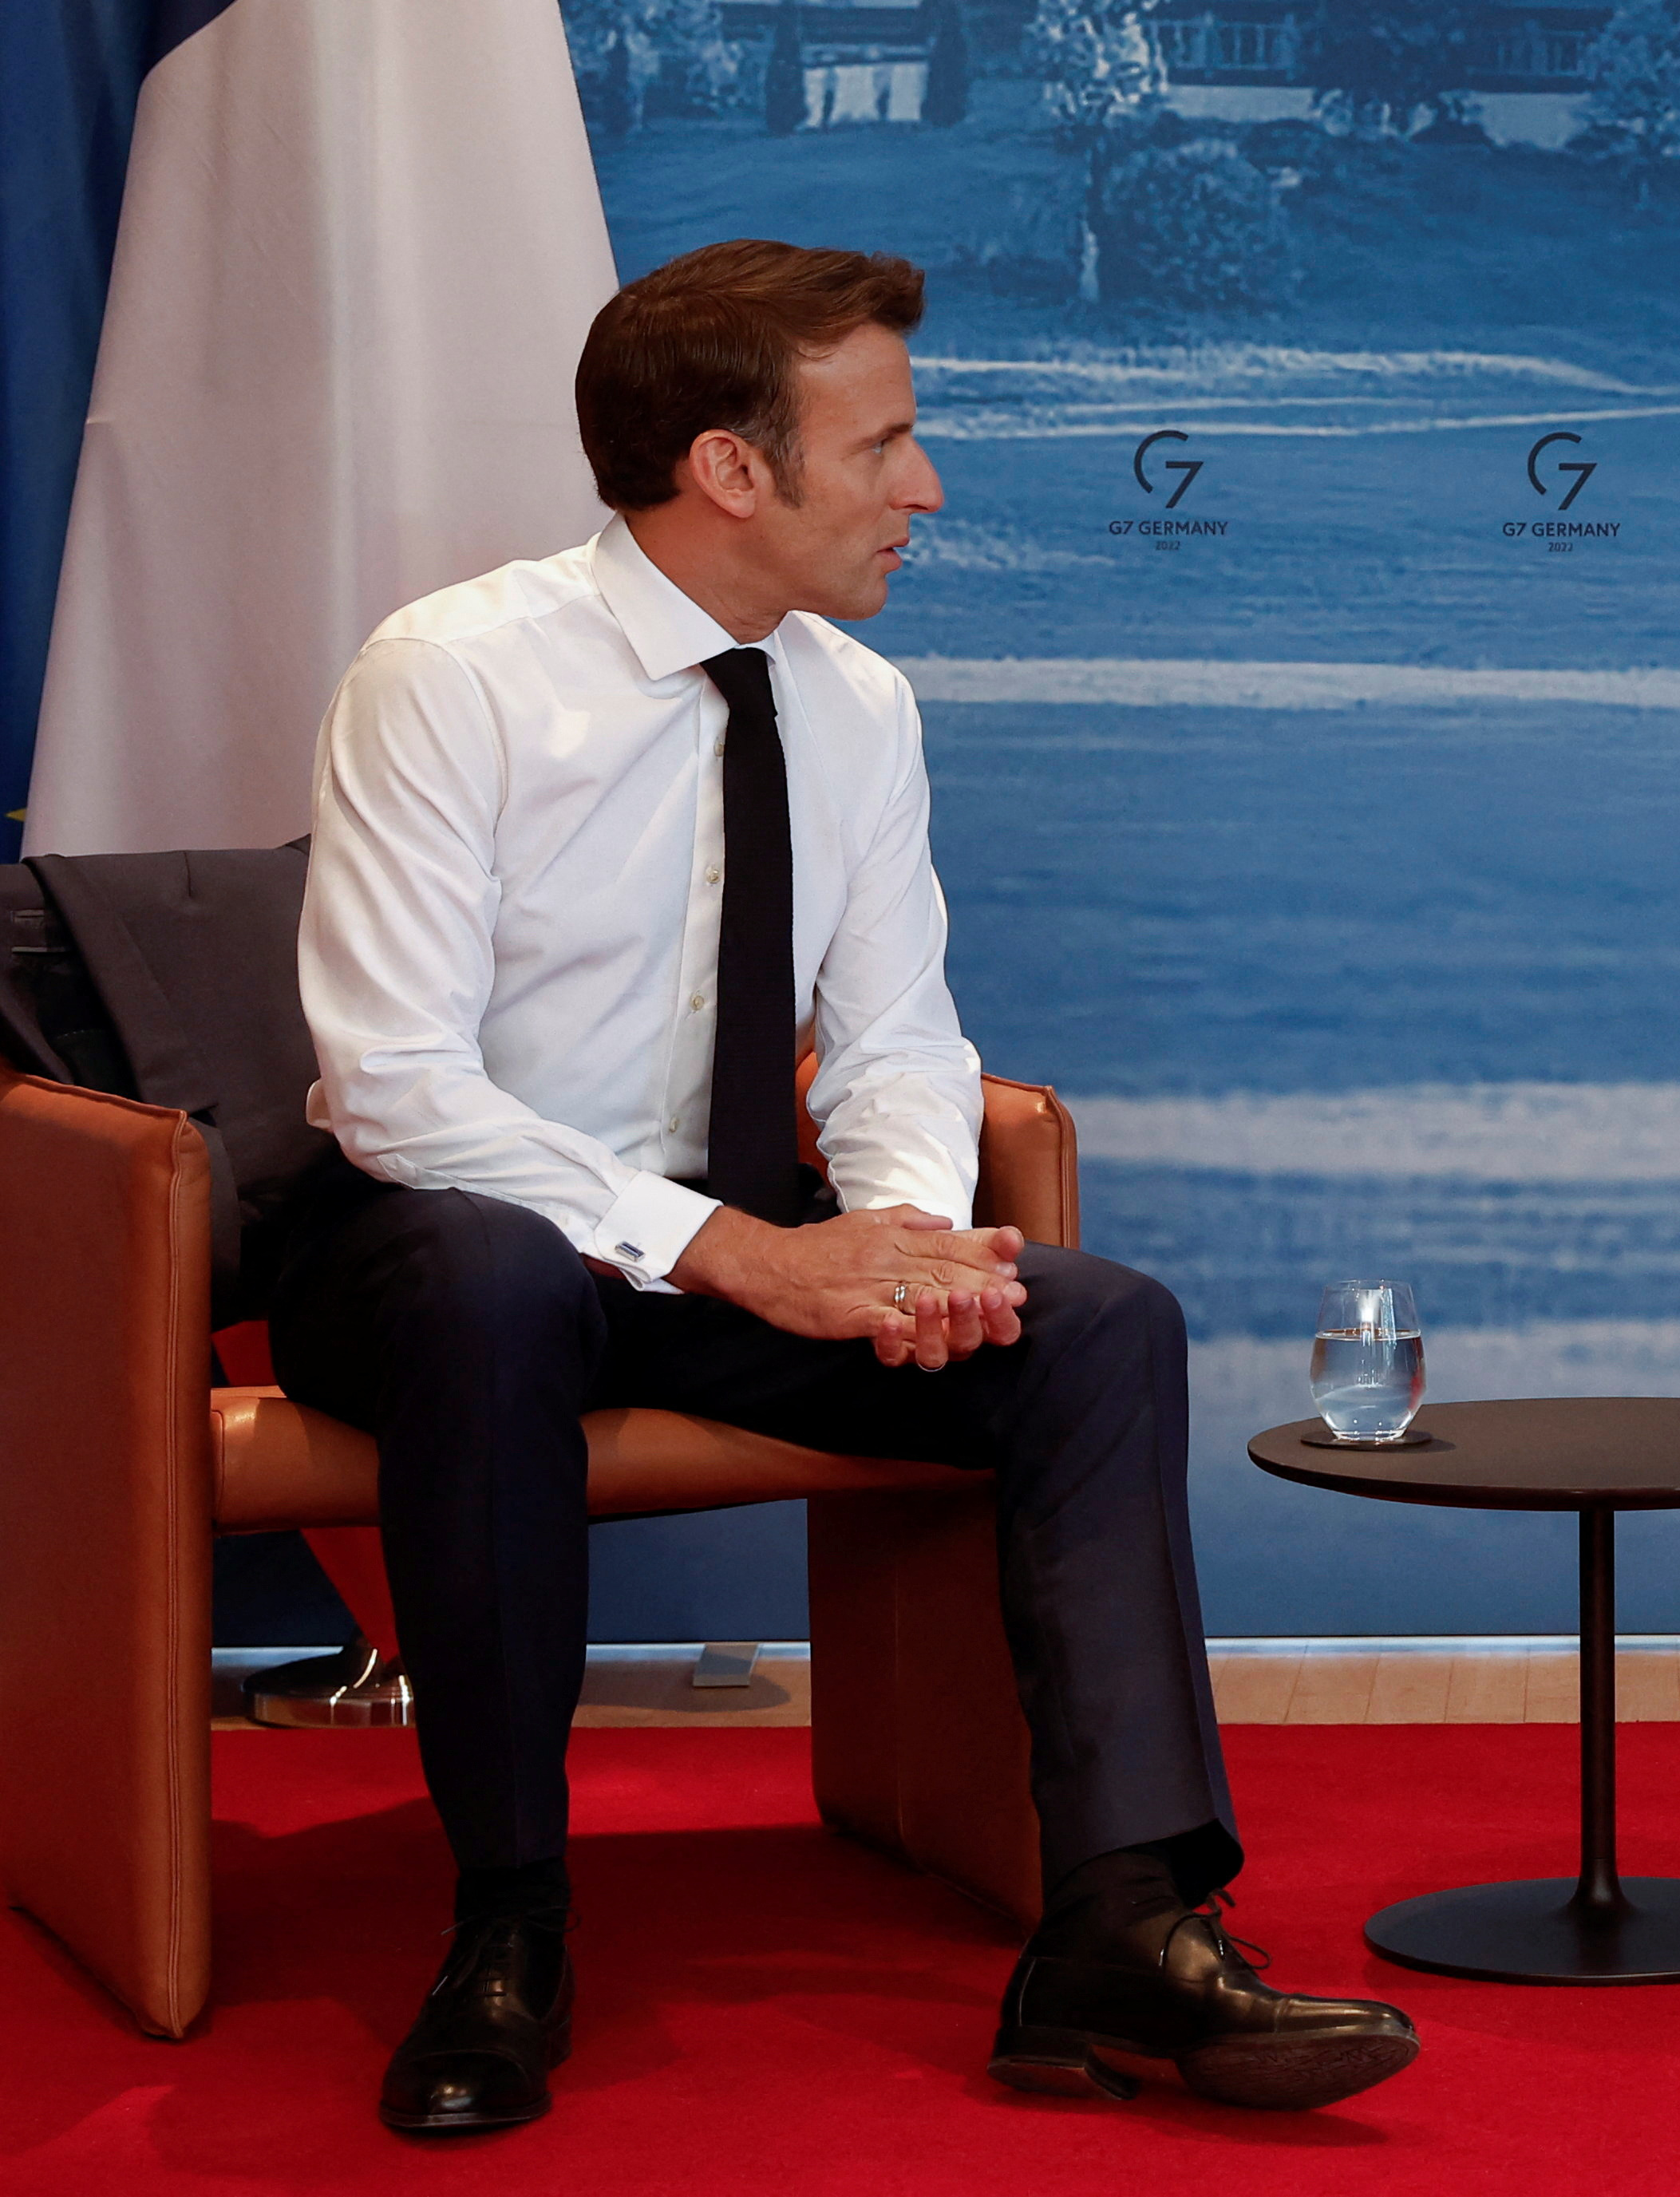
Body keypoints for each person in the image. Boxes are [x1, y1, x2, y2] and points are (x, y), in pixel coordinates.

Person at [279, 239, 1417, 2134]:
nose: (929, 486)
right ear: (732, 470)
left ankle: (1123, 1922)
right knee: (488, 1290)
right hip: (440, 1246)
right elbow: (396, 1090)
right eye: (883, 443)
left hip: (743, 1253)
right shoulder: (451, 676)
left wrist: (905, 1244)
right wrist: (750, 1258)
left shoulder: (861, 705)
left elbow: (894, 1041)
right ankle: (507, 1923)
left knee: (1098, 1323)